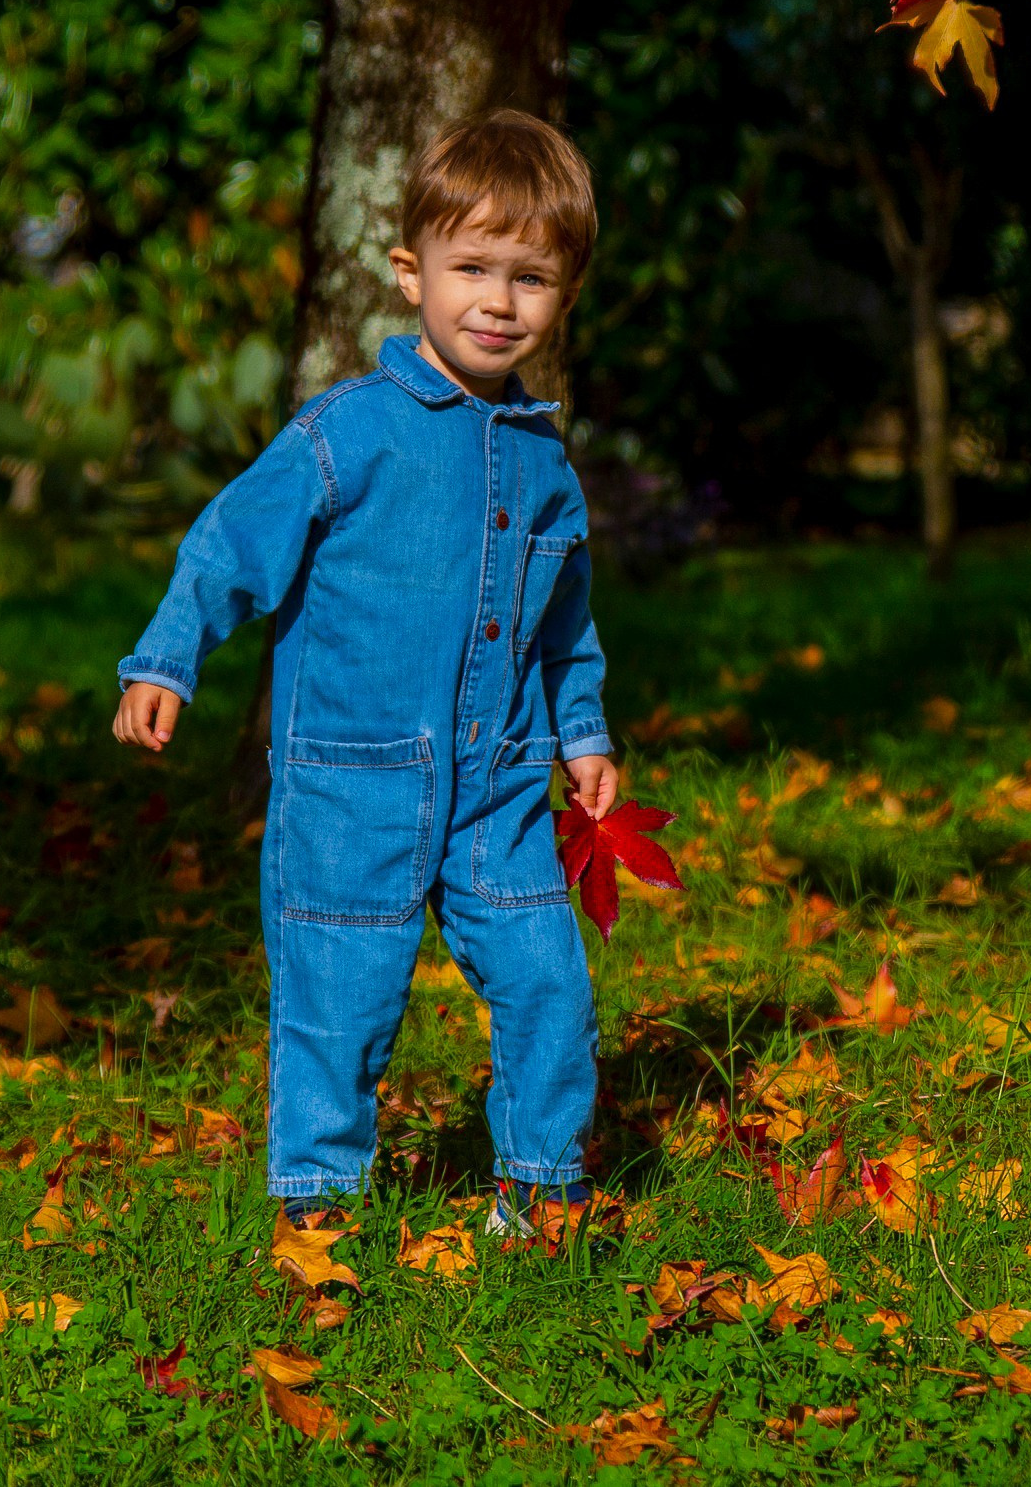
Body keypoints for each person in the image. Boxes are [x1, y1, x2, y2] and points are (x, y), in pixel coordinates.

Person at [112, 109, 617, 1234]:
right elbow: (230, 543)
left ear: (563, 294)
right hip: (353, 784)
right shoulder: (349, 432)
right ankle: (317, 1207)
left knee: (548, 983)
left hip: (497, 787)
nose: (497, 300)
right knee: (340, 1004)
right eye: (471, 268)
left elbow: (562, 620)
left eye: (529, 278)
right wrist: (167, 661)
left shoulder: (544, 460)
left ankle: (540, 1189)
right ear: (409, 274)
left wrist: (581, 732)